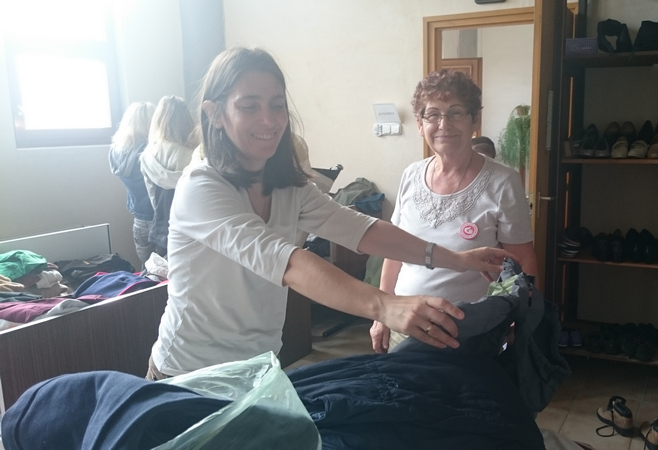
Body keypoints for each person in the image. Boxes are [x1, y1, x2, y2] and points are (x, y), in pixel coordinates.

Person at [146, 47, 513, 379]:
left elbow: (362, 230)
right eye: (249, 106)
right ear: (215, 114)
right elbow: (287, 263)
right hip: (189, 374)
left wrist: (457, 260)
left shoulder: (287, 186)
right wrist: (386, 307)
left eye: (277, 105)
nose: (269, 120)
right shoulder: (201, 187)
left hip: (257, 369)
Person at [370, 69, 540, 353]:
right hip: (405, 324)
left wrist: (518, 319)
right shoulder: (411, 175)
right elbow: (394, 251)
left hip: (470, 331)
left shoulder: (503, 181)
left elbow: (522, 260)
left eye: (455, 112)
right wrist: (382, 312)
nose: (443, 124)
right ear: (420, 125)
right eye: (432, 114)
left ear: (474, 120)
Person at [139, 95, 198, 257]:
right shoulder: (196, 155)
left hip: (162, 228)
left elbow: (153, 197)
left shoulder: (148, 155)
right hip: (192, 228)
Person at [108, 101, 156, 269]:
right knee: (166, 270)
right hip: (159, 218)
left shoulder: (117, 151)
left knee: (147, 268)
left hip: (139, 220)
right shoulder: (151, 152)